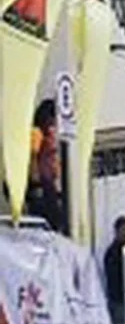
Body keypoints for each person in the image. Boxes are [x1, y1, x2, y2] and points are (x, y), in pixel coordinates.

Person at [27, 99, 64, 232]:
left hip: (49, 181)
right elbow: (33, 155)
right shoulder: (37, 133)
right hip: (43, 183)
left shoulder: (50, 135)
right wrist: (36, 181)